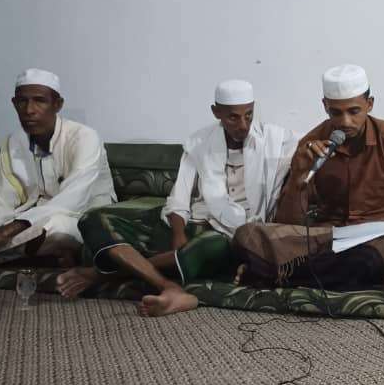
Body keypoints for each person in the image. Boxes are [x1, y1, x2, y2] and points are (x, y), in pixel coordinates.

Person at [73, 80, 297, 316]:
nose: (243, 125)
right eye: (233, 117)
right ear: (216, 112)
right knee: (93, 219)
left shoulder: (275, 140)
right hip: (190, 226)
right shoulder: (199, 142)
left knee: (210, 247)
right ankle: (170, 286)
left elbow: (310, 142)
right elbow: (179, 198)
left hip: (226, 237)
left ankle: (103, 275)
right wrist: (178, 234)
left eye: (248, 115)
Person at [254, 64, 384, 290]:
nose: (345, 122)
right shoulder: (311, 144)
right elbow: (289, 224)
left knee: (382, 252)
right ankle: (316, 274)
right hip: (329, 237)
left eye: (354, 111)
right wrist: (299, 176)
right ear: (325, 106)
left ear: (369, 104)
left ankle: (283, 275)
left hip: (377, 239)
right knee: (250, 234)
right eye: (336, 113)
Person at [0, 69, 116, 269]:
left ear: (57, 104)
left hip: (83, 220)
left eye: (39, 101)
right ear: (14, 104)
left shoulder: (84, 137)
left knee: (57, 228)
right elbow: (2, 201)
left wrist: (4, 233)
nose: (29, 110)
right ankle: (31, 259)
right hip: (28, 227)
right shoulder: (14, 142)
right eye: (22, 101)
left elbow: (72, 199)